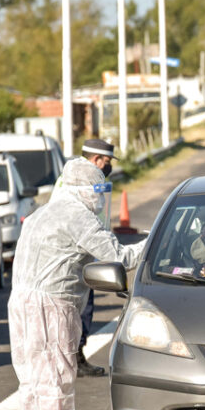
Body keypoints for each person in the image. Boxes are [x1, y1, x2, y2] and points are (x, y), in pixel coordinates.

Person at [8, 158, 145, 410]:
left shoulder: (43, 213)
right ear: (82, 188)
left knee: (31, 382)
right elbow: (119, 257)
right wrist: (154, 244)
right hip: (51, 305)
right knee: (56, 379)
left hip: (21, 303)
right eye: (96, 190)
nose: (98, 198)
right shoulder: (77, 216)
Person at [58, 138, 119, 378]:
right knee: (80, 307)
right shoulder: (76, 181)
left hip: (87, 249)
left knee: (83, 305)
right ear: (96, 159)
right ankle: (75, 356)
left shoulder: (73, 176)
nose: (108, 166)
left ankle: (75, 354)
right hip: (77, 253)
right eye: (106, 161)